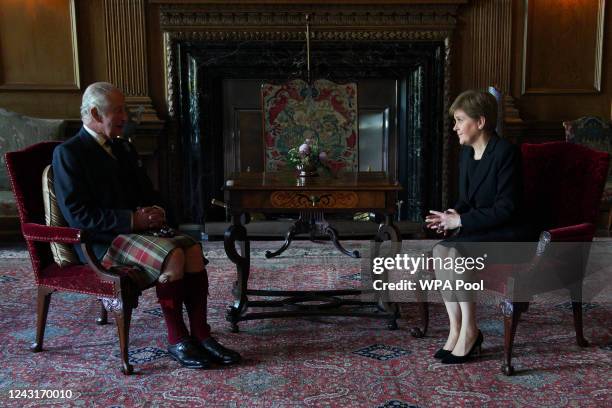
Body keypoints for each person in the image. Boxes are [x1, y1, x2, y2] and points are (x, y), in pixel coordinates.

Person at [53, 82, 241, 369]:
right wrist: (132, 219)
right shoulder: (69, 153)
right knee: (174, 255)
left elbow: (146, 192)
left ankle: (202, 336)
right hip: (101, 242)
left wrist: (157, 210)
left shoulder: (122, 148)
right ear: (94, 112)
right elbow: (79, 215)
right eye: (118, 110)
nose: (125, 116)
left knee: (190, 248)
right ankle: (178, 340)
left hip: (137, 234)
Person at [425, 90, 536, 364]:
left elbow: (506, 209)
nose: (455, 127)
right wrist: (450, 215)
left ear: (481, 122)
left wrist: (460, 221)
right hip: (484, 228)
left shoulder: (505, 153)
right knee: (441, 251)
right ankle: (456, 330)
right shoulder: (466, 154)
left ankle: (471, 330)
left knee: (458, 254)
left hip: (511, 234)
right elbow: (466, 200)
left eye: (460, 120)